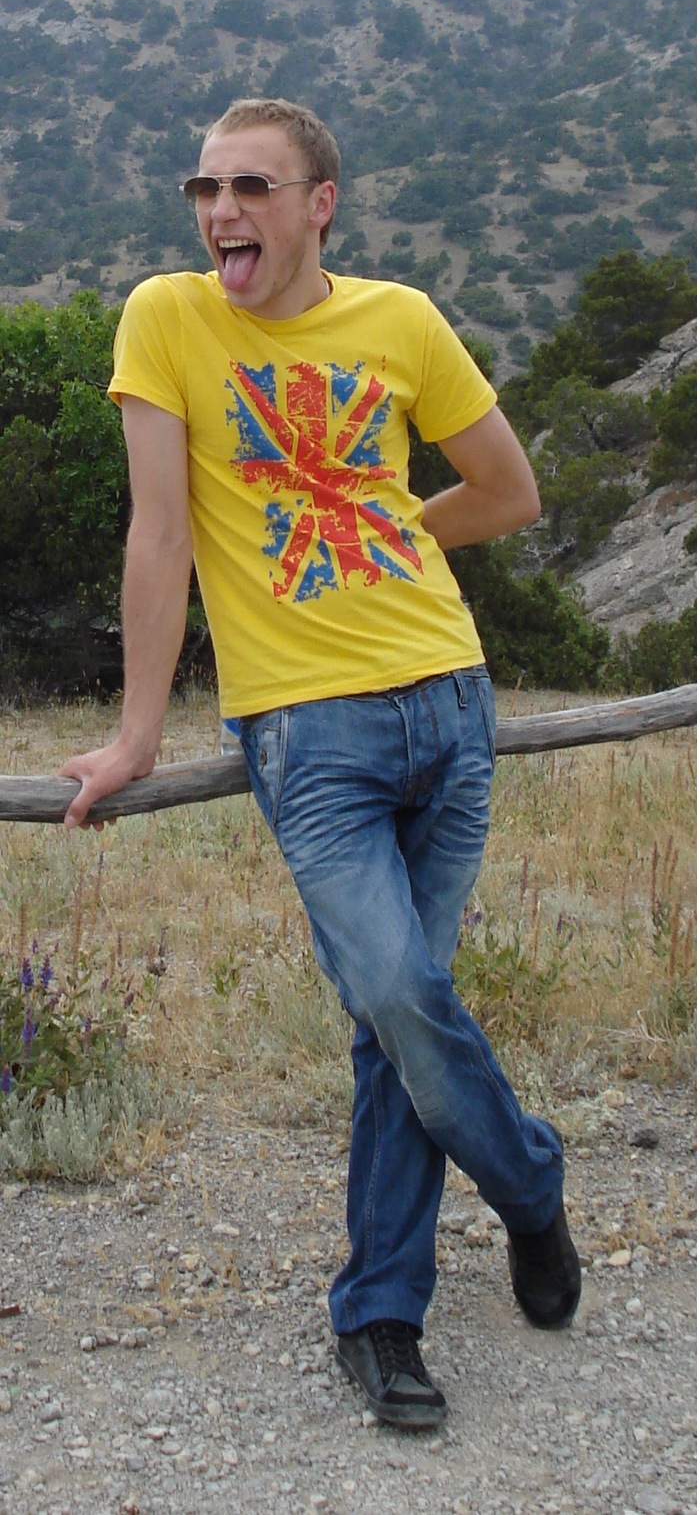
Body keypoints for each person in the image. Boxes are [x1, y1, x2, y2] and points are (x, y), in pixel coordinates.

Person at [60, 97, 580, 1429]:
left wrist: (386, 530)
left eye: (251, 187)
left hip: (449, 701)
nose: (220, 210)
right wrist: (135, 734)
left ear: (320, 203)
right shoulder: (169, 319)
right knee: (400, 995)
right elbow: (161, 533)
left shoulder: (403, 321)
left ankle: (383, 1315)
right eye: (205, 188)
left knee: (394, 1025)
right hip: (307, 729)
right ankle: (529, 1184)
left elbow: (509, 491)